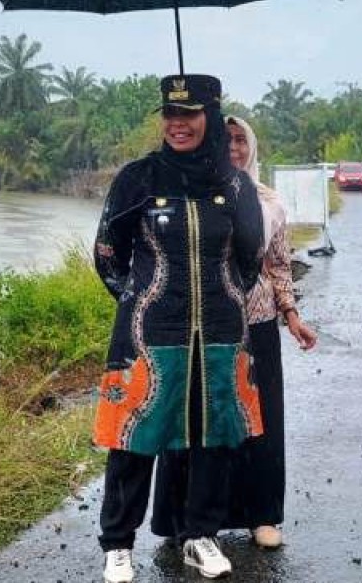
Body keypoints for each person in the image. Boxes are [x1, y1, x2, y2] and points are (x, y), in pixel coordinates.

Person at [91, 74, 264, 583]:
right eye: (170, 114)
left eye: (189, 114)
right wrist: (142, 299)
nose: (178, 124)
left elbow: (250, 255)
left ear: (210, 117)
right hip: (149, 333)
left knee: (212, 437)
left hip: (219, 331)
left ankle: (200, 536)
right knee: (135, 437)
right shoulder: (138, 178)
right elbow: (107, 255)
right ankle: (118, 544)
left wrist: (222, 295)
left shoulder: (234, 184)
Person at [151, 115, 318, 550]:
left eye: (241, 141)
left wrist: (292, 315)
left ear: (253, 147)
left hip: (257, 324)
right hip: (200, 327)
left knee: (259, 421)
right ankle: (183, 520)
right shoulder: (193, 195)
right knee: (194, 421)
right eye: (225, 141)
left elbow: (279, 264)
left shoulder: (268, 202)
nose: (234, 149)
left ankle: (262, 515)